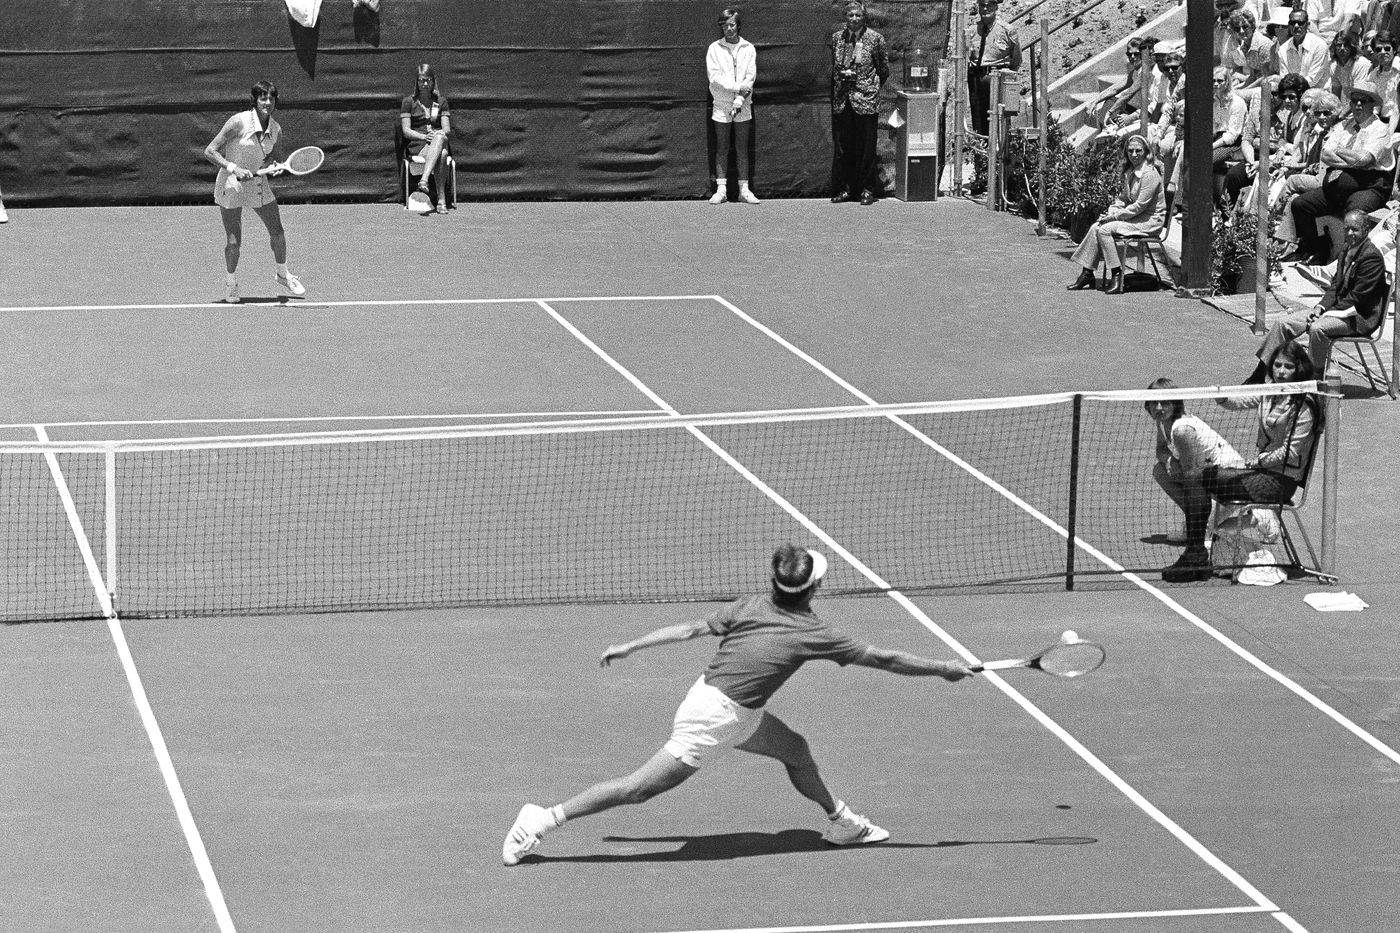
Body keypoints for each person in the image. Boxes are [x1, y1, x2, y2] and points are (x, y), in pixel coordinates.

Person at [501, 544, 973, 865]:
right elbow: (885, 659)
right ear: (812, 590)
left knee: (794, 748)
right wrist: (943, 668)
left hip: (719, 702)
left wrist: (631, 644)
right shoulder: (816, 634)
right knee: (639, 789)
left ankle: (842, 823)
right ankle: (541, 820)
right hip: (718, 718)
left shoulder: (750, 605)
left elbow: (688, 630)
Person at [1161, 344, 1319, 583]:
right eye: (1277, 365)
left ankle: (1196, 553)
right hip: (1260, 474)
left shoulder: (1303, 404)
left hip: (1280, 481)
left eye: (1288, 367)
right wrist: (1221, 396)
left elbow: (1291, 452)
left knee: (1196, 476)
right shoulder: (1270, 391)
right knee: (1196, 476)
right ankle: (1196, 551)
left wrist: (1258, 461)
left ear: (1299, 369)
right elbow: (1241, 401)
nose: (1281, 372)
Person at [1251, 208, 1388, 377]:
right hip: (1336, 310)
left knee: (1318, 328)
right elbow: (1334, 287)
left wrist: (1327, 315)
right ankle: (1260, 372)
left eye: (1355, 229)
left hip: (1358, 317)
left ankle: (1313, 378)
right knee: (1283, 323)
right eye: (1346, 229)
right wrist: (1320, 308)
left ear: (1366, 230)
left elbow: (1357, 299)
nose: (1350, 233)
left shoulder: (1371, 258)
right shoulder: (1346, 249)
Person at [203, 80, 304, 304]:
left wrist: (275, 168)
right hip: (232, 184)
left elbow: (273, 158)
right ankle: (231, 282)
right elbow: (210, 151)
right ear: (255, 100)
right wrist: (234, 167)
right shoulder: (238, 122)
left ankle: (283, 273)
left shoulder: (276, 129)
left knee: (277, 231)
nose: (267, 102)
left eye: (271, 98)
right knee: (233, 243)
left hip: (258, 185)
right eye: (263, 98)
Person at [1286, 78, 1393, 264]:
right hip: (1343, 181)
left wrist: (1342, 153)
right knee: (1301, 205)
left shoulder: (1380, 128)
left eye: (1364, 100)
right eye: (1354, 100)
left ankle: (1347, 262)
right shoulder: (1344, 125)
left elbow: (1366, 159)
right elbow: (1327, 155)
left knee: (1353, 212)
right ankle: (1317, 249)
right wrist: (1354, 162)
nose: (1358, 104)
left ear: (1373, 105)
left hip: (1371, 185)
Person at [1145, 378, 1246, 545]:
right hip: (1210, 476)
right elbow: (1161, 450)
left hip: (1232, 483)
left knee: (1203, 530)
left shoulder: (1182, 430)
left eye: (1164, 402)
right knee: (1160, 470)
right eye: (1153, 402)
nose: (1158, 408)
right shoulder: (1162, 421)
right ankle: (1200, 522)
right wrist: (1170, 460)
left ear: (1175, 403)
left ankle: (1256, 519)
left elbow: (1194, 476)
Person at [1066, 134, 1167, 294]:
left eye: (1138, 151)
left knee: (1105, 230)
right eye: (1130, 151)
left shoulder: (1149, 174)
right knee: (1096, 227)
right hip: (1135, 218)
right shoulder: (1131, 172)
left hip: (1149, 221)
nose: (1134, 155)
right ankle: (1087, 274)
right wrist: (1112, 210)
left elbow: (1139, 206)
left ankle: (1117, 274)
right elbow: (1122, 199)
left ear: (1146, 152)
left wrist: (1113, 217)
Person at [830, 2, 890, 205]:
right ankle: (845, 189)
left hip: (866, 100)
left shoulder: (875, 39)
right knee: (844, 148)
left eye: (858, 15)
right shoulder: (838, 38)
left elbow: (883, 69)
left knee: (866, 148)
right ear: (845, 17)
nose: (854, 19)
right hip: (843, 100)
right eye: (850, 15)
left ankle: (867, 189)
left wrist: (868, 87)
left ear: (864, 18)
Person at [706, 7, 759, 204]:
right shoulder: (714, 48)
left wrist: (740, 99)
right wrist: (737, 89)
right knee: (721, 146)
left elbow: (750, 77)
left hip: (743, 104)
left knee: (742, 147)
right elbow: (715, 78)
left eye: (732, 25)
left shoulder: (749, 48)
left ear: (738, 26)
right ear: (721, 27)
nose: (729, 29)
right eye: (725, 25)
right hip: (721, 104)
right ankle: (721, 190)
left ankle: (744, 190)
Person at [400, 63, 452, 214]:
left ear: (433, 81)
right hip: (419, 146)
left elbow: (447, 129)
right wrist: (424, 136)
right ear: (416, 82)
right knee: (442, 154)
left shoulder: (441, 101)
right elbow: (406, 131)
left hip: (439, 140)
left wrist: (437, 134)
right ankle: (441, 200)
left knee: (440, 135)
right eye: (421, 80)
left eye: (427, 80)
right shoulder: (408, 102)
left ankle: (424, 180)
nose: (424, 83)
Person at [965, 0, 1021, 136]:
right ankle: (981, 151)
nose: (985, 9)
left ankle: (1000, 153)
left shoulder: (1007, 30)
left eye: (989, 5)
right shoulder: (972, 31)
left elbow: (1016, 59)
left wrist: (1005, 76)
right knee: (978, 118)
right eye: (982, 5)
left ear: (996, 7)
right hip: (976, 79)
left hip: (997, 78)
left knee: (999, 117)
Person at [1210, 66, 1249, 206]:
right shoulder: (1214, 100)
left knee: (1207, 159)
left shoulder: (1237, 102)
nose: (1216, 84)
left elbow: (1232, 135)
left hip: (1232, 143)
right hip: (1216, 137)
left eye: (1220, 81)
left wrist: (1212, 145)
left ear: (1227, 82)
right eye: (1213, 80)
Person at [1275, 8, 1331, 87]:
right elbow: (1284, 77)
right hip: (1292, 93)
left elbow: (1312, 80)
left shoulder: (1319, 46)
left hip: (1318, 93)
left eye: (1300, 23)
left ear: (1307, 25)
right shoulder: (1283, 49)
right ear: (1289, 25)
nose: (1296, 26)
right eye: (1292, 23)